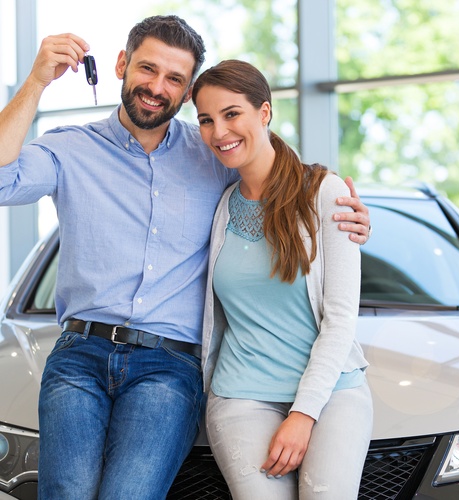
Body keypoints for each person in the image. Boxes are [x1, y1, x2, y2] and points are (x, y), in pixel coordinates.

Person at [0, 15, 371, 499]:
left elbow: (279, 185)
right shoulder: (71, 149)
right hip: (80, 355)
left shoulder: (213, 154)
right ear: (121, 65)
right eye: (147, 69)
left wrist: (346, 213)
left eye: (174, 78)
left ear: (187, 88)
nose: (157, 87)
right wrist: (35, 83)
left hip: (169, 365)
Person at [192, 59, 373, 500]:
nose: (219, 132)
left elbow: (340, 318)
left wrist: (303, 414)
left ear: (265, 112)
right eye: (206, 120)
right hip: (240, 395)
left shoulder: (324, 193)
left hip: (332, 393)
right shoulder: (218, 205)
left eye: (232, 114)